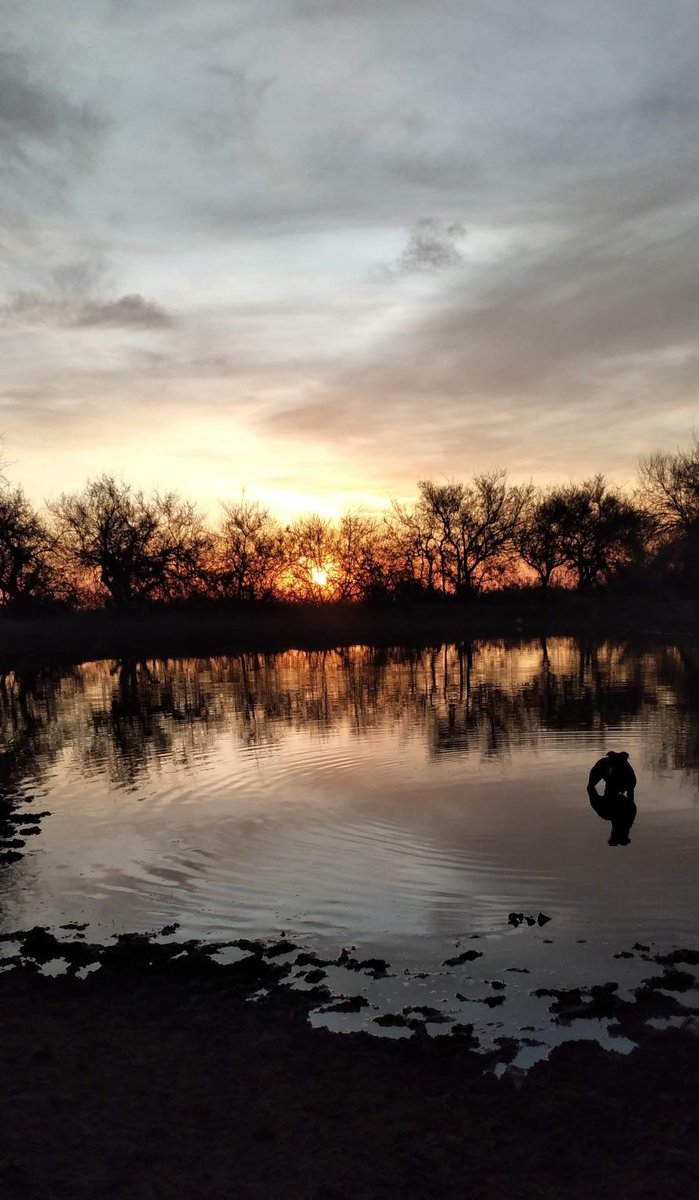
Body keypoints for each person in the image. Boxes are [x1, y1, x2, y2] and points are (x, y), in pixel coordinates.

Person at [587, 751, 637, 845]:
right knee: (590, 788)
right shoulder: (604, 766)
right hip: (607, 779)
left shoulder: (629, 778)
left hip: (610, 803)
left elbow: (630, 799)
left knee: (593, 790)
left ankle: (620, 835)